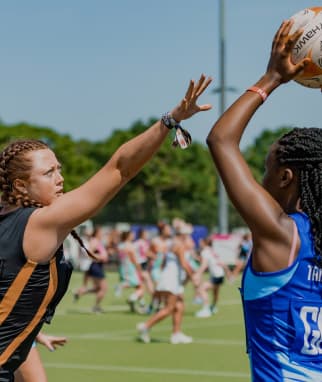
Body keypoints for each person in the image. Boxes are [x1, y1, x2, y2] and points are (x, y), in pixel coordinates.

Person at [0, 74, 212, 380]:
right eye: (49, 173)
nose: (60, 178)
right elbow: (120, 169)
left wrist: (24, 330)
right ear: (21, 184)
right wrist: (171, 119)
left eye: (58, 168)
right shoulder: (39, 223)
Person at [207, 19, 322, 380]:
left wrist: (271, 78)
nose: (260, 179)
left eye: (267, 169)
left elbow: (221, 141)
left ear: (286, 178)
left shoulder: (282, 235)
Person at [137, 225, 198, 344]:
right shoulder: (178, 245)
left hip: (171, 278)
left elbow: (165, 261)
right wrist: (193, 277)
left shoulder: (171, 243)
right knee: (169, 308)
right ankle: (145, 326)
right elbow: (184, 263)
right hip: (171, 280)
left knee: (179, 305)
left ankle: (176, 333)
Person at [74, 225, 109, 313]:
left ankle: (79, 292)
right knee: (103, 288)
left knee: (98, 288)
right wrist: (100, 257)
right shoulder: (94, 241)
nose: (102, 234)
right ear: (97, 233)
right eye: (101, 232)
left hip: (98, 266)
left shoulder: (98, 241)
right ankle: (96, 307)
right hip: (95, 266)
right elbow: (89, 252)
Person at [194, 236, 231, 318]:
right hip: (220, 274)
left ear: (204, 243)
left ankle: (206, 310)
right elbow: (220, 262)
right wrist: (227, 272)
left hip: (216, 274)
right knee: (215, 292)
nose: (199, 244)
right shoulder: (212, 251)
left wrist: (198, 273)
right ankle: (213, 307)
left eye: (200, 242)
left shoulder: (205, 251)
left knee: (201, 289)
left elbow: (204, 265)